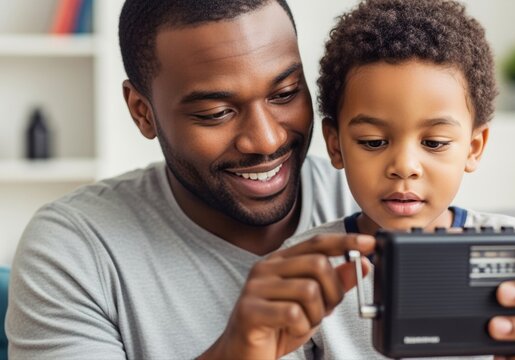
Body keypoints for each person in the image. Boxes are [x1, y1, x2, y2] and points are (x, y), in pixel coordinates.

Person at [7, 1, 370, 359]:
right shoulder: (76, 249)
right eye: (215, 113)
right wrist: (234, 353)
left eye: (285, 94)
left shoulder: (390, 204)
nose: (266, 140)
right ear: (142, 112)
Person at [284, 0, 515, 358]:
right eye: (373, 141)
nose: (405, 166)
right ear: (335, 144)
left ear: (473, 147)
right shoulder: (304, 269)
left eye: (434, 143)